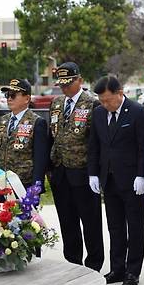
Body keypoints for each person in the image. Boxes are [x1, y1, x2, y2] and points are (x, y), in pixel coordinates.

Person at [88, 76, 144, 285]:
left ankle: (133, 270)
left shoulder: (137, 112)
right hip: (109, 178)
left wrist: (142, 175)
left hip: (132, 180)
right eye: (101, 100)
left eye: (108, 100)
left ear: (120, 93)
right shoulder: (98, 114)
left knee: (135, 226)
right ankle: (117, 268)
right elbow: (94, 145)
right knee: (114, 226)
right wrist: (93, 173)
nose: (105, 104)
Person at [48, 62, 103, 271]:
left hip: (82, 171)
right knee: (67, 221)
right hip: (60, 172)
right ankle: (73, 263)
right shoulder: (56, 103)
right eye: (61, 84)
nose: (64, 88)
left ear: (79, 80)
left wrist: (94, 172)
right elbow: (50, 136)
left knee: (90, 222)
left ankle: (94, 264)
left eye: (68, 83)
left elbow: (95, 141)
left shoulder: (92, 104)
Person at [0, 78, 48, 191]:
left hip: (24, 183)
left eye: (13, 95)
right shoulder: (4, 120)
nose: (9, 99)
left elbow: (40, 158)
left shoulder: (36, 122)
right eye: (7, 95)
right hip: (3, 182)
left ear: (27, 98)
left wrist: (36, 186)